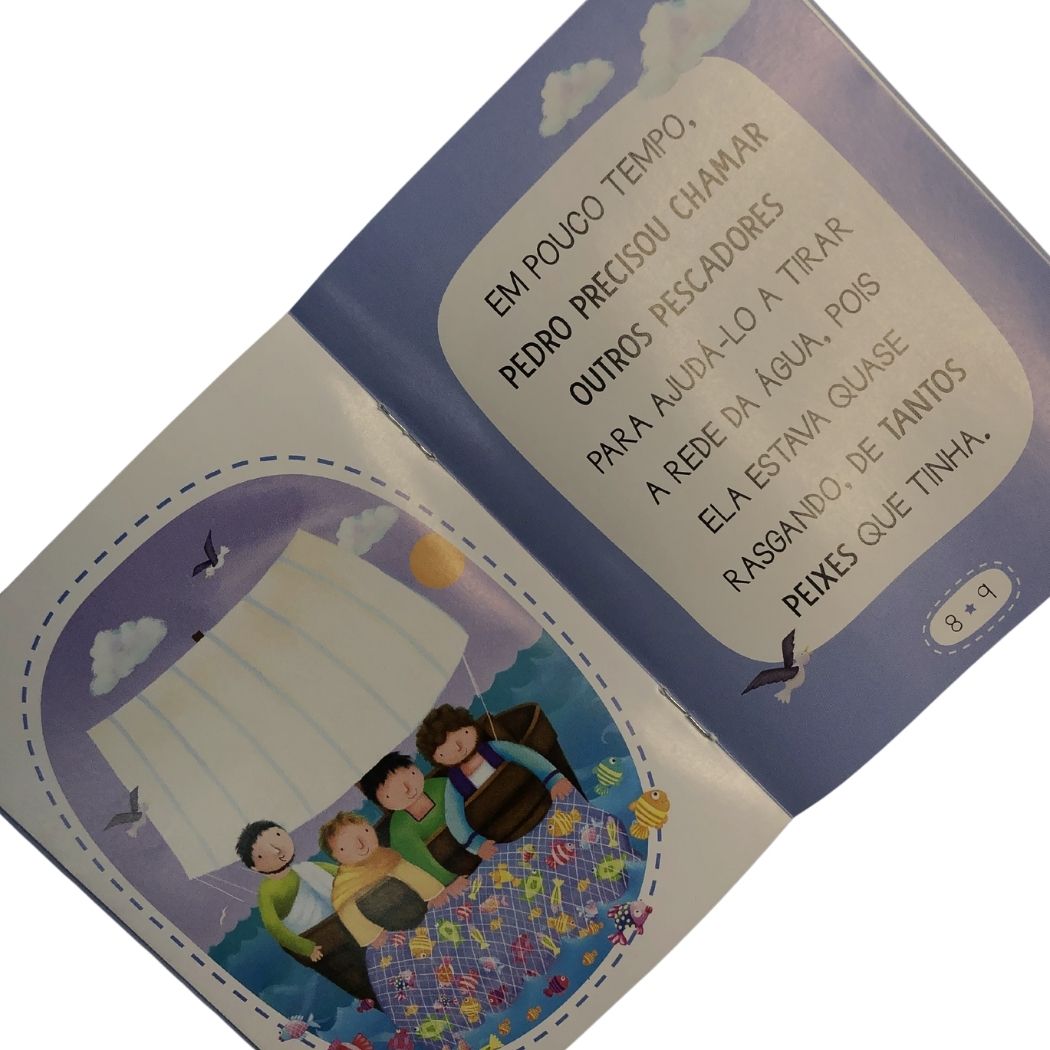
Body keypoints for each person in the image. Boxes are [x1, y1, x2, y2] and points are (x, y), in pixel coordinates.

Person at [415, 704, 573, 856]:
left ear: (471, 728)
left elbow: (527, 757)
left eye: (463, 735)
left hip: (543, 804)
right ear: (437, 759)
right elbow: (454, 818)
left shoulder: (495, 749)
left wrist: (554, 780)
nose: (458, 748)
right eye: (444, 752)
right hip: (506, 833)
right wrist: (477, 844)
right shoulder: (455, 783)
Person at [320, 811, 447, 948]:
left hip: (421, 911)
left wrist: (435, 894)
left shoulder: (386, 857)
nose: (361, 845)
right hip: (391, 933)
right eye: (345, 846)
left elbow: (413, 875)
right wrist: (374, 936)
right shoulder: (343, 884)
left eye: (365, 831)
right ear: (336, 857)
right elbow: (349, 913)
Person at [359, 753, 473, 891]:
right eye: (393, 792)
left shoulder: (442, 785)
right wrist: (449, 882)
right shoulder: (399, 829)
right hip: (452, 870)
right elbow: (419, 861)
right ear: (382, 802)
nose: (407, 790)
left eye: (410, 775)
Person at [235, 820, 336, 963]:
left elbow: (339, 873)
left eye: (278, 835)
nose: (276, 851)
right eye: (261, 855)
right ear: (254, 868)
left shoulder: (306, 868)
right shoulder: (266, 891)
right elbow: (273, 926)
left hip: (339, 919)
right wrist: (306, 948)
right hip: (316, 938)